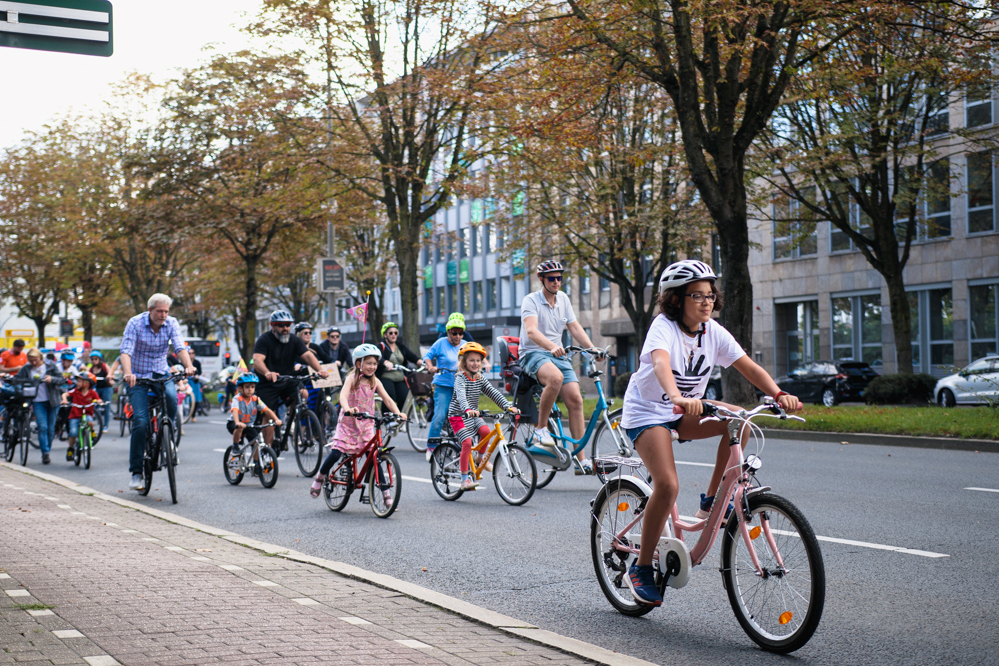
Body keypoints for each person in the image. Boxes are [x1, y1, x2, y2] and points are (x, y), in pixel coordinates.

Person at [619, 260, 801, 606]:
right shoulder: (663, 327)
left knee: (741, 418)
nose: (707, 302)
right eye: (697, 295)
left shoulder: (712, 331)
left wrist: (778, 394)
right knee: (668, 485)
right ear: (676, 300)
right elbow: (659, 362)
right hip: (648, 412)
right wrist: (675, 396)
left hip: (688, 408)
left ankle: (713, 498)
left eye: (710, 295)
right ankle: (641, 566)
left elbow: (747, 365)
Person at [519, 260, 603, 474]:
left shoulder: (563, 299)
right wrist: (552, 346)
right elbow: (531, 332)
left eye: (559, 278)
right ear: (541, 280)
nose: (556, 282)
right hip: (533, 353)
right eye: (551, 278)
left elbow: (574, 327)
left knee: (576, 400)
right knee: (555, 378)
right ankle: (540, 431)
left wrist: (592, 348)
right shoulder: (531, 301)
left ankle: (580, 460)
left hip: (557, 355)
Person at [309, 344, 406, 500]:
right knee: (336, 453)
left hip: (366, 424)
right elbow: (342, 397)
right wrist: (348, 408)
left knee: (373, 455)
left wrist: (398, 412)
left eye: (375, 363)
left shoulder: (376, 382)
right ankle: (320, 477)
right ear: (359, 364)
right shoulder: (351, 379)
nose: (372, 367)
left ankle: (385, 492)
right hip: (348, 423)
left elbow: (387, 399)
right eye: (368, 363)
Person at [120, 294, 196, 491]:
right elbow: (126, 351)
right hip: (138, 377)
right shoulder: (135, 323)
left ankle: (166, 433)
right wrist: (128, 373)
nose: (163, 315)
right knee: (140, 421)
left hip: (161, 373)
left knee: (172, 398)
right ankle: (136, 473)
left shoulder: (171, 323)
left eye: (166, 311)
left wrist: (188, 365)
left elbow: (179, 346)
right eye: (160, 311)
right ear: (150, 310)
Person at [446, 342, 520, 491]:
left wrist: (507, 406)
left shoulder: (479, 378)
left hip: (472, 414)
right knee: (467, 443)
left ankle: (480, 458)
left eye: (478, 360)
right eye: (472, 360)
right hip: (458, 415)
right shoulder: (461, 378)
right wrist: (467, 408)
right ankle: (465, 479)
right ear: (464, 362)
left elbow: (493, 392)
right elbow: (461, 395)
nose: (475, 363)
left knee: (486, 432)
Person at [252, 310, 329, 450]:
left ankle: (292, 421)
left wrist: (320, 370)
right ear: (272, 325)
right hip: (268, 383)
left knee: (303, 394)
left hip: (287, 380)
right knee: (270, 417)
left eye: (287, 325)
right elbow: (257, 360)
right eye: (281, 325)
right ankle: (267, 450)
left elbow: (308, 356)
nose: (285, 328)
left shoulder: (294, 340)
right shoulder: (264, 340)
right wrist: (267, 372)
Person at [422, 312, 466, 461]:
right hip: (442, 385)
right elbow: (427, 356)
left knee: (461, 417)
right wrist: (431, 367)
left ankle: (460, 446)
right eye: (454, 333)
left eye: (460, 333)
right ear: (448, 332)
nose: (458, 337)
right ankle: (431, 446)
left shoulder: (465, 345)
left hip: (460, 386)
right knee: (440, 416)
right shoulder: (440, 343)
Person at [13, 348, 64, 465]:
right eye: (31, 361)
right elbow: (17, 379)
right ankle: (45, 453)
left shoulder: (50, 365)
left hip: (52, 401)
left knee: (51, 430)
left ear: (40, 358)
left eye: (35, 360)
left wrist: (52, 379)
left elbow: (62, 379)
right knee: (42, 427)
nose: (34, 363)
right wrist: (30, 381)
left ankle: (47, 449)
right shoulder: (27, 368)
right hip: (37, 401)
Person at [227, 373, 282, 471]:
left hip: (249, 425)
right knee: (240, 427)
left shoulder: (256, 399)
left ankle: (256, 464)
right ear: (240, 388)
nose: (250, 389)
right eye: (247, 387)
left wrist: (276, 419)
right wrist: (237, 422)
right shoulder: (237, 399)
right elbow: (235, 411)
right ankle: (235, 446)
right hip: (234, 423)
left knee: (256, 442)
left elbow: (267, 410)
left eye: (252, 387)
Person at [375, 321, 423, 415]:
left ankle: (399, 418)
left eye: (395, 333)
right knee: (390, 395)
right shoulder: (381, 346)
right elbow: (376, 357)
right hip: (386, 377)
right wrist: (385, 362)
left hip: (400, 378)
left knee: (404, 397)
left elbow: (411, 356)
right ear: (385, 335)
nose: (393, 335)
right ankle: (387, 418)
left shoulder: (400, 346)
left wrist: (420, 362)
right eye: (391, 333)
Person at [60, 371, 100, 462]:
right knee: (73, 432)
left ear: (87, 383)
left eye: (79, 381)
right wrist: (65, 399)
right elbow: (65, 394)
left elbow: (98, 399)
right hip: (75, 415)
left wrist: (99, 402)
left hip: (87, 414)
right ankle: (70, 449)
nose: (76, 383)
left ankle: (92, 432)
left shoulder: (92, 393)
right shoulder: (75, 391)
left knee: (90, 422)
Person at [87, 350, 113, 430]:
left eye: (96, 359)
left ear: (99, 359)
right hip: (96, 388)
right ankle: (93, 420)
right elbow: (86, 375)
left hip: (106, 388)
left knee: (106, 406)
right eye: (92, 359)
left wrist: (109, 377)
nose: (94, 361)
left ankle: (105, 425)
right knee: (91, 404)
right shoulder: (90, 369)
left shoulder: (105, 366)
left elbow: (111, 373)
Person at [187, 347, 204, 422]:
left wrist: (197, 376)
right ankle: (186, 415)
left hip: (195, 382)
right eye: (189, 353)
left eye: (192, 353)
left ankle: (193, 416)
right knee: (187, 399)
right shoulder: (185, 362)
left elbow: (199, 372)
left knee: (196, 399)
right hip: (187, 382)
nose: (191, 355)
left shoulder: (197, 362)